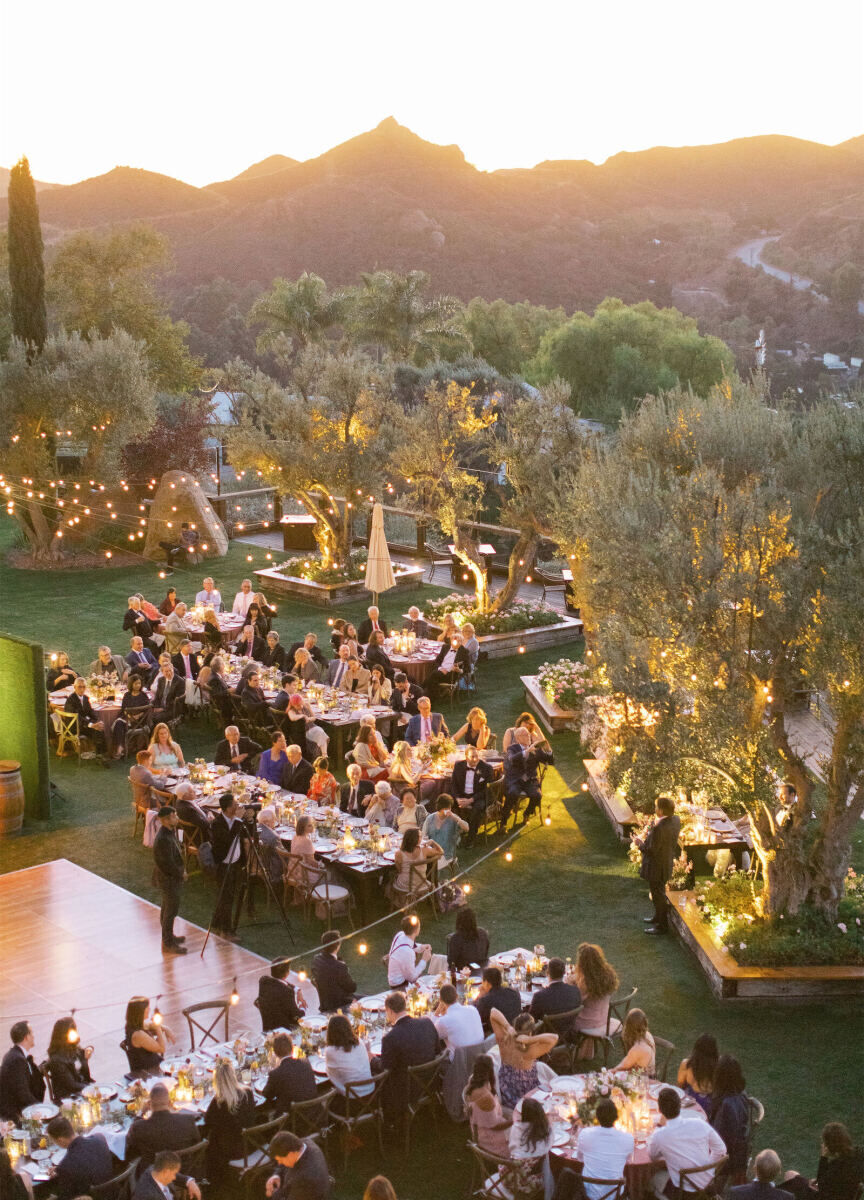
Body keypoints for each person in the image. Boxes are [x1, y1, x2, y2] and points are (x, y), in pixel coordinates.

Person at [370, 992, 439, 1124]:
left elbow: (385, 1068)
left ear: (389, 1011)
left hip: (406, 1089)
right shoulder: (427, 1022)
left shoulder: (390, 1038)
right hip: (431, 1080)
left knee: (378, 1078)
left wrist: (371, 1059)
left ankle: (389, 1122)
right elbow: (437, 1051)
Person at [648, 1086, 727, 1197]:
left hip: (682, 1193)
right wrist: (706, 1169)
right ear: (680, 1106)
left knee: (649, 1180)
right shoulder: (699, 1123)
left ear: (659, 1110)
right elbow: (721, 1149)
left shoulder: (659, 1135)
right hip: (707, 1184)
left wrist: (660, 1126)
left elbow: (653, 1157)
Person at [490, 1009, 557, 1110]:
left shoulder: (504, 1040)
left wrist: (507, 1026)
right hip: (526, 1095)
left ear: (514, 1025)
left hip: (506, 1091)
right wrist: (530, 1040)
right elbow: (554, 1038)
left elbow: (493, 1012)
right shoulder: (531, 1050)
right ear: (531, 1031)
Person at [203, 1059, 256, 1186]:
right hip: (250, 1144)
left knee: (209, 1140)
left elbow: (207, 1121)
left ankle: (212, 1181)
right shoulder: (247, 1093)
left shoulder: (218, 1102)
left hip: (231, 1151)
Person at [126, 1081, 200, 1170]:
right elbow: (197, 1143)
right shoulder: (188, 1120)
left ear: (149, 1104)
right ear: (169, 1103)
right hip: (185, 1170)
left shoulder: (139, 1127)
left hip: (155, 1176)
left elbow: (130, 1146)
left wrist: (140, 1113)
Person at [573, 1097, 635, 1199]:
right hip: (614, 1194)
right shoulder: (628, 1139)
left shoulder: (585, 1134)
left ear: (597, 1117)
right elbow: (629, 1161)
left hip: (588, 1193)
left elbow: (580, 1158)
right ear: (616, 1117)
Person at [637, 794, 682, 934]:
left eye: (656, 807)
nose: (655, 809)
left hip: (656, 866)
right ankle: (657, 917)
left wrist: (639, 844)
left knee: (658, 895)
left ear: (661, 811)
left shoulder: (660, 828)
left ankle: (662, 926)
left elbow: (651, 850)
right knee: (658, 892)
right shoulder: (675, 820)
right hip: (666, 862)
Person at [783, 1123, 864, 1200]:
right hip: (845, 1195)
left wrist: (824, 1157)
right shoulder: (859, 1154)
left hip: (821, 1197)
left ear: (829, 1146)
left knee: (790, 1175)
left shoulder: (835, 1168)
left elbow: (820, 1185)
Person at [44, 1115, 114, 1200]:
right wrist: (60, 1169)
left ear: (60, 1140)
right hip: (113, 1190)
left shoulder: (65, 1166)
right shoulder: (99, 1138)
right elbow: (88, 1158)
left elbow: (66, 1196)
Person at [211, 792, 249, 940]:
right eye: (234, 805)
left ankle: (217, 923)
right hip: (223, 864)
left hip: (235, 862)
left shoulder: (235, 820)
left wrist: (248, 819)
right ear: (227, 808)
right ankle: (225, 931)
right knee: (226, 898)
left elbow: (245, 834)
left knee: (229, 896)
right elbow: (228, 839)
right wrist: (238, 821)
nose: (237, 806)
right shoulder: (217, 824)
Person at [710, 1055, 751, 1184]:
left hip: (724, 1159)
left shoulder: (726, 1105)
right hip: (739, 1153)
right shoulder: (741, 1094)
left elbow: (716, 1138)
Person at [153, 805, 187, 955]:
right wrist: (181, 874)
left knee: (167, 908)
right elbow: (167, 863)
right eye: (174, 816)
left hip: (170, 878)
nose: (177, 818)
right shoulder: (163, 839)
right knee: (170, 911)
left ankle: (169, 936)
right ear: (166, 820)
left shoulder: (169, 833)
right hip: (168, 879)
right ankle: (168, 942)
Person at [463, 1054, 512, 1157]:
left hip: (483, 1126)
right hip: (490, 1138)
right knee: (525, 1132)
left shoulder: (473, 1080)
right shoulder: (485, 1097)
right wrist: (514, 1121)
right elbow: (495, 1126)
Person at [503, 725, 554, 821]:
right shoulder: (512, 748)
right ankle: (504, 821)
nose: (528, 737)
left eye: (528, 734)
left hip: (530, 780)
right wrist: (526, 751)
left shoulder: (536, 749)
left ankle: (527, 813)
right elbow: (512, 759)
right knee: (512, 793)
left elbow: (550, 762)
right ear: (518, 738)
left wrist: (549, 750)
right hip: (516, 780)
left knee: (537, 796)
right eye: (525, 735)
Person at [573, 942, 620, 1044]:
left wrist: (570, 982)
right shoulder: (608, 974)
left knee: (565, 1014)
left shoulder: (586, 982)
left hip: (587, 1021)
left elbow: (575, 1001)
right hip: (604, 1018)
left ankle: (566, 1045)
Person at [266, 1130, 331, 1200]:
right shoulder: (305, 1143)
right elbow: (283, 1164)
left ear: (290, 1154)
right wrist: (277, 1175)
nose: (279, 1163)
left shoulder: (303, 1178)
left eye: (280, 1160)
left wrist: (274, 1193)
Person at [0, 1021, 46, 1120]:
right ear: (26, 1037)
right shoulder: (17, 1059)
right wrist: (41, 1108)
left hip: (18, 1109)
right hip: (16, 1115)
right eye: (31, 1033)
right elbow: (22, 1093)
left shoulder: (15, 1054)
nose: (33, 1036)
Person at [451, 746, 495, 844]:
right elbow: (453, 785)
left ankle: (471, 837)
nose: (475, 759)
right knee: (448, 802)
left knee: (478, 807)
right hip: (462, 795)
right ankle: (452, 833)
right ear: (466, 757)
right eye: (472, 757)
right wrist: (458, 798)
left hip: (478, 796)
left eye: (477, 756)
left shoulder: (487, 768)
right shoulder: (458, 765)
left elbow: (486, 790)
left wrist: (471, 800)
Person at [262, 1033, 318, 1113]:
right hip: (315, 1115)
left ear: (275, 1053)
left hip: (291, 1122)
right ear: (292, 1049)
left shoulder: (276, 1074)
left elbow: (266, 1094)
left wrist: (276, 1068)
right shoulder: (305, 1062)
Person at [529, 957, 583, 1037]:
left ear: (547, 972)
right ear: (564, 972)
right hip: (568, 1036)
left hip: (546, 1038)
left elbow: (531, 1020)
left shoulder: (540, 996)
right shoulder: (575, 991)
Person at [508, 1097, 552, 1193]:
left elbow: (511, 1149)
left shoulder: (515, 1128)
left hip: (509, 1177)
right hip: (530, 1182)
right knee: (549, 1164)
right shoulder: (546, 1130)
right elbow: (549, 1148)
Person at [324, 1014, 374, 1098]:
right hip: (371, 1094)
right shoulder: (359, 1042)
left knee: (327, 1092)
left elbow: (330, 1072)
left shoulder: (330, 1051)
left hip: (351, 1101)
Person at [45, 1017, 93, 1099]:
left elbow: (84, 1051)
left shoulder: (72, 1047)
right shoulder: (57, 1059)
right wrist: (90, 1088)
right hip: (68, 1096)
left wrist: (90, 1048)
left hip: (80, 1089)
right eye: (73, 1031)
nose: (76, 1033)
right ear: (64, 1035)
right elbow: (71, 1085)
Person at [124, 996, 172, 1078]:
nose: (149, 1009)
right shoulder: (138, 1035)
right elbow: (161, 1048)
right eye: (147, 1008)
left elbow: (150, 1025)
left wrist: (166, 1028)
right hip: (148, 1072)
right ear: (140, 1012)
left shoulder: (133, 1025)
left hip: (153, 1065)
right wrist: (158, 1028)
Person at [311, 930, 358, 1012]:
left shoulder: (316, 959)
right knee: (368, 1000)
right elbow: (352, 988)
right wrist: (345, 969)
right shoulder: (339, 967)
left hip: (325, 1003)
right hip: (340, 1003)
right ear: (337, 946)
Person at [434, 983, 484, 1056]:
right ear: (457, 996)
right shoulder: (473, 1009)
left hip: (459, 1063)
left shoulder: (443, 1021)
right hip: (479, 1056)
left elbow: (433, 1034)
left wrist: (436, 1014)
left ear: (440, 1000)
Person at [392, 827, 441, 901]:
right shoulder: (425, 850)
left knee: (391, 879)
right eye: (420, 836)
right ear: (415, 839)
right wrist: (432, 841)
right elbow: (441, 852)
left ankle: (403, 902)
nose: (422, 838)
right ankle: (410, 902)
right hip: (422, 884)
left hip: (404, 887)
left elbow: (399, 870)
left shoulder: (399, 853)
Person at [256, 957, 304, 1031]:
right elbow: (297, 1016)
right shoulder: (287, 992)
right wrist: (302, 1008)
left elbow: (281, 982)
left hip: (268, 1028)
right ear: (287, 973)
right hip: (283, 1030)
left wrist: (297, 989)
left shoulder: (263, 981)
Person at [132, 1149, 202, 1200]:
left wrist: (189, 1182)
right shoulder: (149, 1196)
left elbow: (177, 1176)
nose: (175, 1177)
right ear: (166, 1172)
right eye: (174, 1174)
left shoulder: (154, 1170)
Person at [113, 672, 153, 756]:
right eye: (136, 683)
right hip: (128, 720)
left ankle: (123, 748)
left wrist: (136, 717)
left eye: (139, 683)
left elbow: (146, 710)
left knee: (119, 723)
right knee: (118, 723)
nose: (138, 685)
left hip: (140, 723)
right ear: (131, 684)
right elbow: (124, 709)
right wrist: (128, 716)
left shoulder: (143, 696)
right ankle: (120, 747)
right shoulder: (127, 695)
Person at [677, 1033, 719, 1115]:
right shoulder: (719, 1067)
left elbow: (680, 1086)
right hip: (712, 1109)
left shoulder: (686, 1064)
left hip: (689, 1106)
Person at [473, 966, 522, 1034]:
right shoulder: (514, 992)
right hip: (516, 1029)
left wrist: (479, 997)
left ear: (486, 983)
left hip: (500, 1036)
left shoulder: (485, 1001)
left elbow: (476, 1017)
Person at [387, 915, 432, 987]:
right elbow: (412, 978)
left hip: (395, 977)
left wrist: (421, 947)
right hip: (400, 985)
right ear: (417, 930)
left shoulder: (400, 934)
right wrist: (424, 960)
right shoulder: (408, 952)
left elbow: (408, 945)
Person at [423, 794, 468, 865]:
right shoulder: (430, 818)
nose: (448, 810)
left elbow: (466, 828)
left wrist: (456, 818)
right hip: (432, 852)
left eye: (449, 808)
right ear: (440, 808)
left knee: (427, 866)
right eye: (445, 808)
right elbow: (424, 836)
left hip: (446, 854)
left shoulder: (453, 819)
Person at [63, 677, 105, 748]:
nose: (82, 689)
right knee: (95, 730)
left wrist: (96, 722)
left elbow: (91, 712)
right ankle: (96, 752)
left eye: (84, 687)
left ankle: (101, 753)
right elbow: (77, 718)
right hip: (74, 727)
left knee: (99, 728)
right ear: (74, 687)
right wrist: (91, 725)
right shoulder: (70, 700)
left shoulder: (85, 698)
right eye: (79, 687)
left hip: (83, 725)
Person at [614, 1008, 655, 1073]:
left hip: (643, 1079)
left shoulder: (637, 1049)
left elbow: (620, 1067)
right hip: (651, 1074)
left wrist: (607, 1072)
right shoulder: (648, 1035)